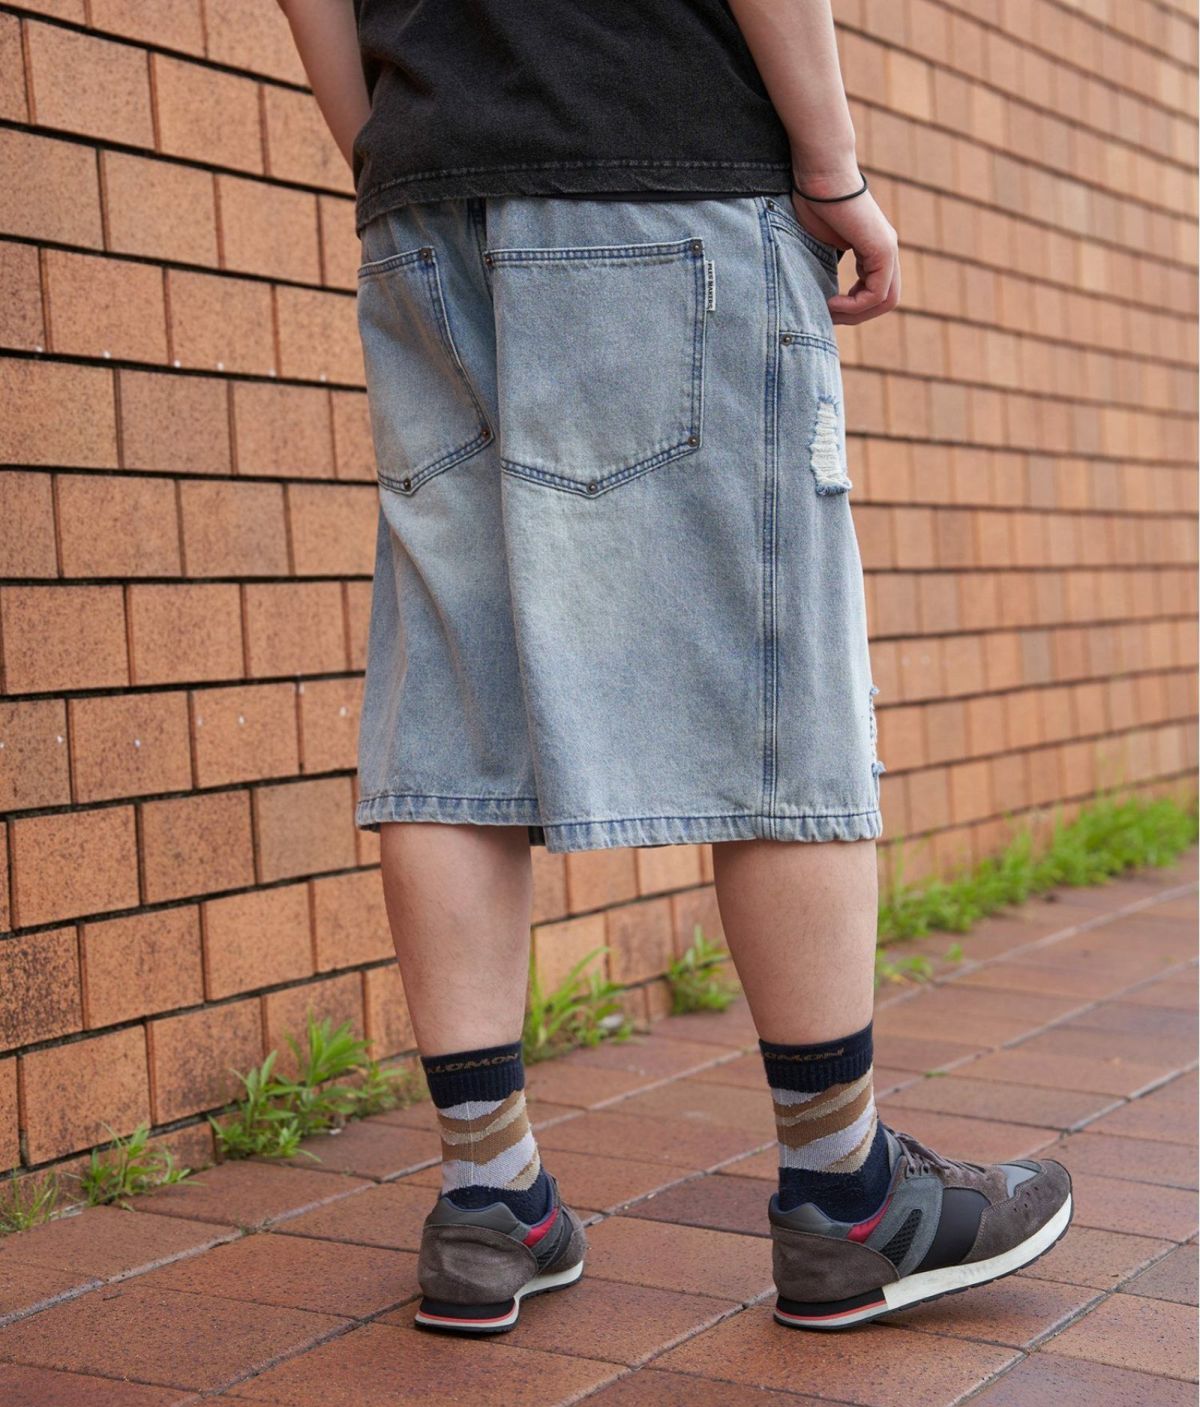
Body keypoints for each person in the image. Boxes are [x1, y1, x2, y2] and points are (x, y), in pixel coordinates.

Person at [276, 0, 1072, 1335]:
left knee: (452, 702)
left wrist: (398, 149)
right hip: (662, 163)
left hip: (424, 196)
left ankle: (488, 1197)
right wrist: (834, 169)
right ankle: (846, 1195)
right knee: (781, 692)